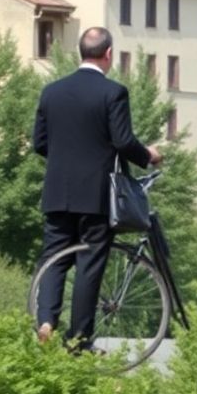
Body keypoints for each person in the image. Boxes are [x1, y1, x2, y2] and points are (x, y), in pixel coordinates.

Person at [32, 25, 162, 349]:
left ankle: (46, 320)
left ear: (80, 52)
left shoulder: (52, 92)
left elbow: (40, 143)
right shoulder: (113, 93)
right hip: (96, 195)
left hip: (57, 192)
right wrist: (148, 155)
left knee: (55, 258)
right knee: (90, 264)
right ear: (108, 54)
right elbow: (122, 140)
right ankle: (78, 340)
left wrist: (65, 159)